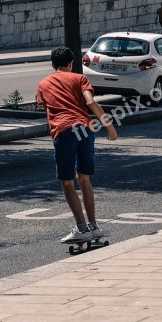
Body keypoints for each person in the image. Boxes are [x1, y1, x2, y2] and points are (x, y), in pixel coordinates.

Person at [36, 46, 118, 244]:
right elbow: (89, 102)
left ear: (52, 65)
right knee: (84, 178)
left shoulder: (43, 83)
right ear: (71, 64)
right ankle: (94, 226)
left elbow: (46, 107)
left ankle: (81, 228)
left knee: (67, 182)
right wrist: (109, 126)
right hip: (85, 128)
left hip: (64, 131)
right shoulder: (80, 78)